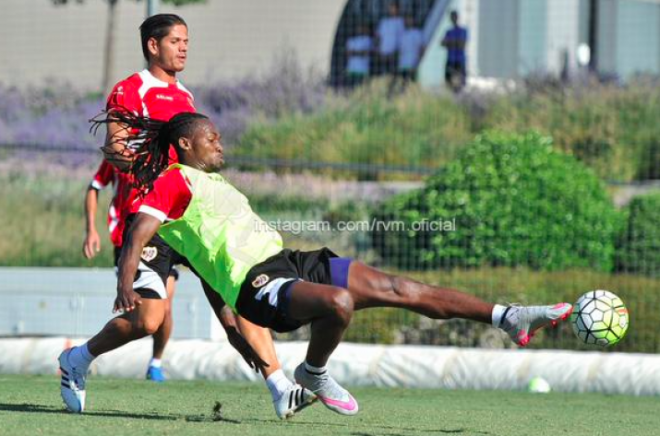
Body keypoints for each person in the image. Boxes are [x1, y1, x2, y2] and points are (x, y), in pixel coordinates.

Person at [99, 111, 574, 416]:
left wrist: (229, 328)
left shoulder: (213, 184)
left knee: (399, 288)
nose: (220, 143)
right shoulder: (170, 181)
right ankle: (313, 373)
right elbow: (140, 231)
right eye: (212, 137)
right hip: (258, 284)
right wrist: (126, 283)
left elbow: (207, 268)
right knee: (339, 305)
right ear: (185, 145)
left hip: (288, 262)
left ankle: (508, 317)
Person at [62, 14, 313, 419]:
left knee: (236, 305)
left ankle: (281, 388)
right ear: (152, 46)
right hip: (153, 218)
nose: (184, 47)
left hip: (196, 222)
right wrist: (150, 171)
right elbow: (114, 149)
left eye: (187, 41)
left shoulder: (186, 97)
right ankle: (78, 358)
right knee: (148, 319)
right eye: (176, 40)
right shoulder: (131, 90)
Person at [441, 10, 468, 92]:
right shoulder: (449, 32)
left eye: (454, 16)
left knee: (460, 83)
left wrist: (450, 42)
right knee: (449, 83)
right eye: (452, 17)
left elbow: (461, 45)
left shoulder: (463, 30)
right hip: (450, 60)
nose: (453, 18)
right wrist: (454, 42)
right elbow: (442, 43)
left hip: (459, 61)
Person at [375, 2, 405, 76]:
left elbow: (403, 38)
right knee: (383, 74)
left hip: (395, 54)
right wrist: (378, 50)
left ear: (398, 9)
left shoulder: (401, 21)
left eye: (394, 8)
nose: (392, 10)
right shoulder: (384, 22)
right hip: (383, 53)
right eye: (391, 8)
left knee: (394, 74)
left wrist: (397, 52)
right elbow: (378, 37)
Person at [345, 23, 373, 88]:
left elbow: (366, 53)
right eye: (359, 28)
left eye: (362, 28)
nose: (360, 29)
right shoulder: (350, 40)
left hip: (363, 70)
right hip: (351, 70)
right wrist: (360, 52)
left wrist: (354, 52)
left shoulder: (368, 39)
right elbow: (348, 54)